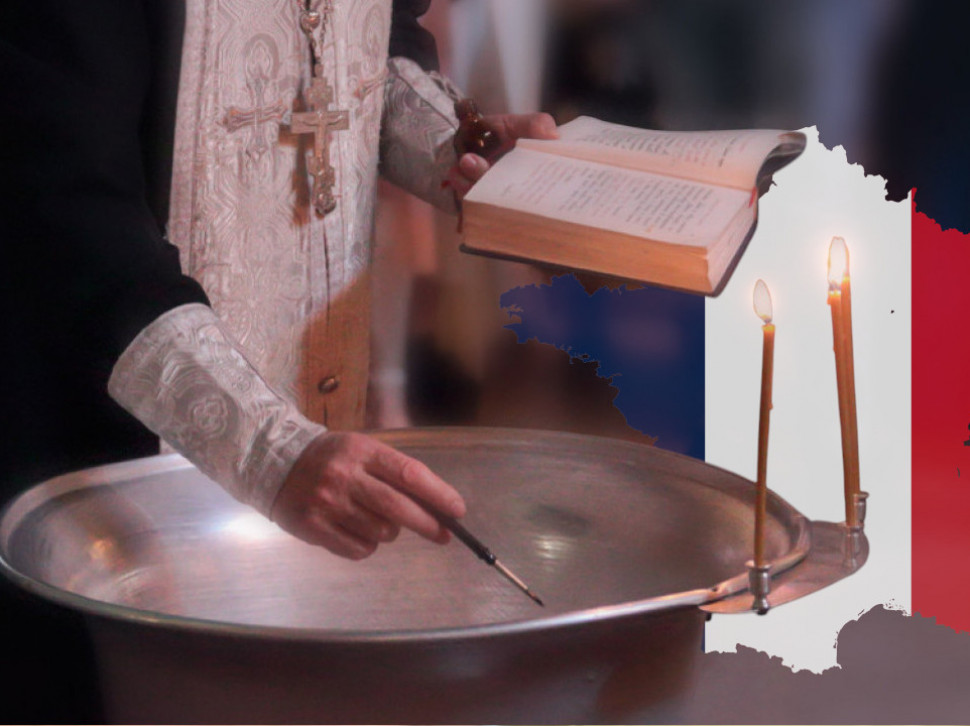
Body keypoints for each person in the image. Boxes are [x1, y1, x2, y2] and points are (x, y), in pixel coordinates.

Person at [0, 0, 554, 719]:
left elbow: (372, 36)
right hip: (109, 443)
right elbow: (65, 207)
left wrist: (457, 149)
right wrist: (268, 451)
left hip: (321, 403)